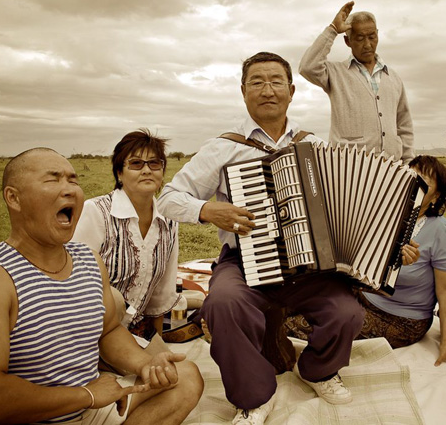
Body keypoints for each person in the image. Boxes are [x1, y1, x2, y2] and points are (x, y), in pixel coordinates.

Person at [158, 52, 369, 425]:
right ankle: (254, 396)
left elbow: (352, 209)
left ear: (291, 91)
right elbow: (169, 198)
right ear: (243, 92)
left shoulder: (316, 147)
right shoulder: (223, 147)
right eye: (257, 82)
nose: (267, 90)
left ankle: (318, 370)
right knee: (221, 304)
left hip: (310, 268)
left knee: (348, 312)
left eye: (275, 82)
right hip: (243, 262)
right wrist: (208, 210)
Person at [0, 148, 203, 425]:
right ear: (13, 198)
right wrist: (87, 394)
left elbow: (109, 331)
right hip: (39, 414)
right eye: (53, 180)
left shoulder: (88, 260)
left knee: (187, 376)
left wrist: (146, 364)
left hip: (94, 405)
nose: (69, 189)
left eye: (73, 180)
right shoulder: (0, 276)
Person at [286, 156, 446, 365]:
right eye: (410, 176)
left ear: (436, 196)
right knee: (286, 302)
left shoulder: (440, 230)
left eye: (424, 183)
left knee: (298, 325)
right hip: (360, 295)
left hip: (401, 318)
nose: (414, 184)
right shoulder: (381, 213)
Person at [73, 129, 179, 339]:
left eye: (154, 163)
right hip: (87, 331)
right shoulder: (96, 212)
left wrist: (158, 346)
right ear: (119, 173)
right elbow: (73, 284)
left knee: (172, 369)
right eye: (136, 163)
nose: (147, 170)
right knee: (114, 297)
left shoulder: (169, 219)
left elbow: (161, 295)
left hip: (135, 330)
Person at [298, 1, 414, 163]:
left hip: (392, 171)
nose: (367, 44)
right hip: (349, 171)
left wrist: (409, 163)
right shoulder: (335, 73)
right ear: (347, 41)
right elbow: (307, 67)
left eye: (372, 37)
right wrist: (332, 30)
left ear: (378, 35)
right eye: (359, 38)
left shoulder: (393, 78)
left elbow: (404, 125)